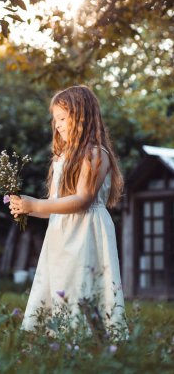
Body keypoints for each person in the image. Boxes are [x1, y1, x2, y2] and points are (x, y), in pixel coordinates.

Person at [9, 85, 129, 341]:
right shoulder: (61, 157)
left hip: (86, 232)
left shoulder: (96, 154)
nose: (57, 125)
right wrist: (27, 208)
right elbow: (56, 204)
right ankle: (59, 341)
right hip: (61, 233)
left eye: (63, 118)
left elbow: (83, 200)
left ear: (82, 117)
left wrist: (36, 205)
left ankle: (91, 341)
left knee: (82, 284)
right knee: (60, 283)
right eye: (55, 119)